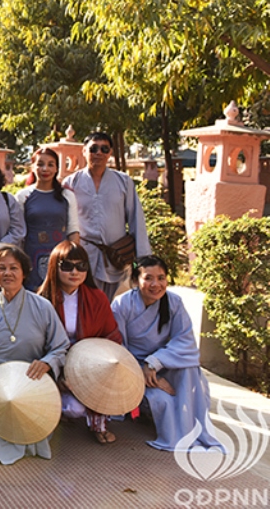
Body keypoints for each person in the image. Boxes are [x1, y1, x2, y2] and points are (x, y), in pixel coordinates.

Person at [111, 255, 222, 452]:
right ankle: (175, 433)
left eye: (161, 278)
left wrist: (154, 362)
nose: (156, 284)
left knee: (190, 369)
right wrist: (143, 371)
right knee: (163, 400)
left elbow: (185, 341)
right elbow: (118, 349)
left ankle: (193, 431)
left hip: (162, 363)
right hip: (134, 369)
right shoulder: (121, 305)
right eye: (148, 278)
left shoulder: (174, 302)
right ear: (136, 281)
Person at [0, 245, 69, 465]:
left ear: (24, 272)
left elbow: (60, 346)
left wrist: (46, 363)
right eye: (1, 268)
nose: (8, 273)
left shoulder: (42, 306)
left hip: (31, 381)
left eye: (13, 268)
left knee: (32, 438)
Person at [37, 241, 121, 444]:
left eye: (81, 266)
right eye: (67, 266)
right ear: (54, 267)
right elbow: (34, 344)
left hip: (89, 365)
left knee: (79, 407)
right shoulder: (41, 299)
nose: (74, 272)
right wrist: (57, 374)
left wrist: (93, 369)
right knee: (71, 408)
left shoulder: (98, 298)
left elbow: (111, 337)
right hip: (53, 366)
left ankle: (98, 423)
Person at [62, 131, 152, 301]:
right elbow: (64, 222)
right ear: (84, 151)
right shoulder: (71, 183)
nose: (99, 153)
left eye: (104, 149)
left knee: (114, 306)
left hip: (116, 257)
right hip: (83, 257)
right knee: (84, 304)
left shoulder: (124, 182)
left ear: (110, 153)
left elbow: (136, 219)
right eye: (93, 148)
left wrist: (143, 260)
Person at [16, 148, 79, 291]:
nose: (45, 169)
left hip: (61, 258)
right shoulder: (23, 196)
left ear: (57, 168)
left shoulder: (67, 196)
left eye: (51, 164)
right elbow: (19, 233)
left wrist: (74, 261)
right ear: (33, 166)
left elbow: (73, 230)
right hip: (31, 258)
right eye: (40, 164)